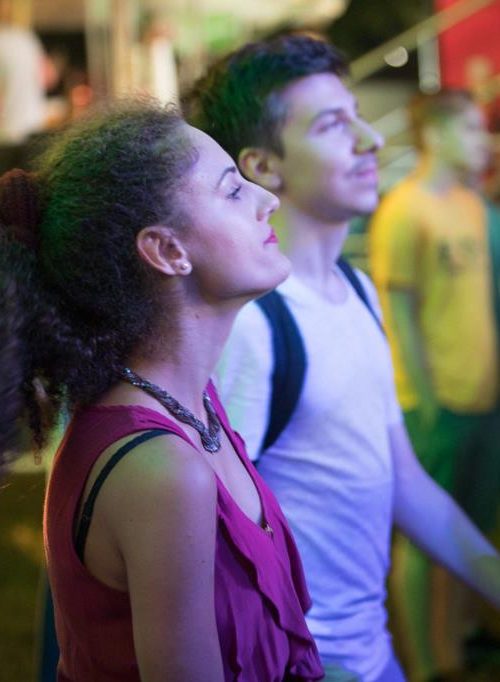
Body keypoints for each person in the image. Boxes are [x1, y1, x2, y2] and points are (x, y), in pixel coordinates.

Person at [184, 33, 500, 682]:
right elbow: (209, 539)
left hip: (371, 654)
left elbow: (404, 479)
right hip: (306, 665)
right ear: (263, 166)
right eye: (332, 125)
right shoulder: (255, 324)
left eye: (357, 114)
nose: (370, 139)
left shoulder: (355, 290)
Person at [0, 100, 324, 682]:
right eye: (232, 190)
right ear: (167, 251)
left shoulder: (193, 402)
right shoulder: (161, 470)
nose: (267, 199)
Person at [369, 89, 500, 680]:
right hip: (435, 402)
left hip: (481, 397)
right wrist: (423, 399)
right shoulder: (404, 209)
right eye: (470, 129)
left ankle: (455, 647)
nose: (482, 141)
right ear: (435, 135)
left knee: (467, 527)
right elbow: (399, 312)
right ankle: (425, 664)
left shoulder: (472, 205)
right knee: (424, 538)